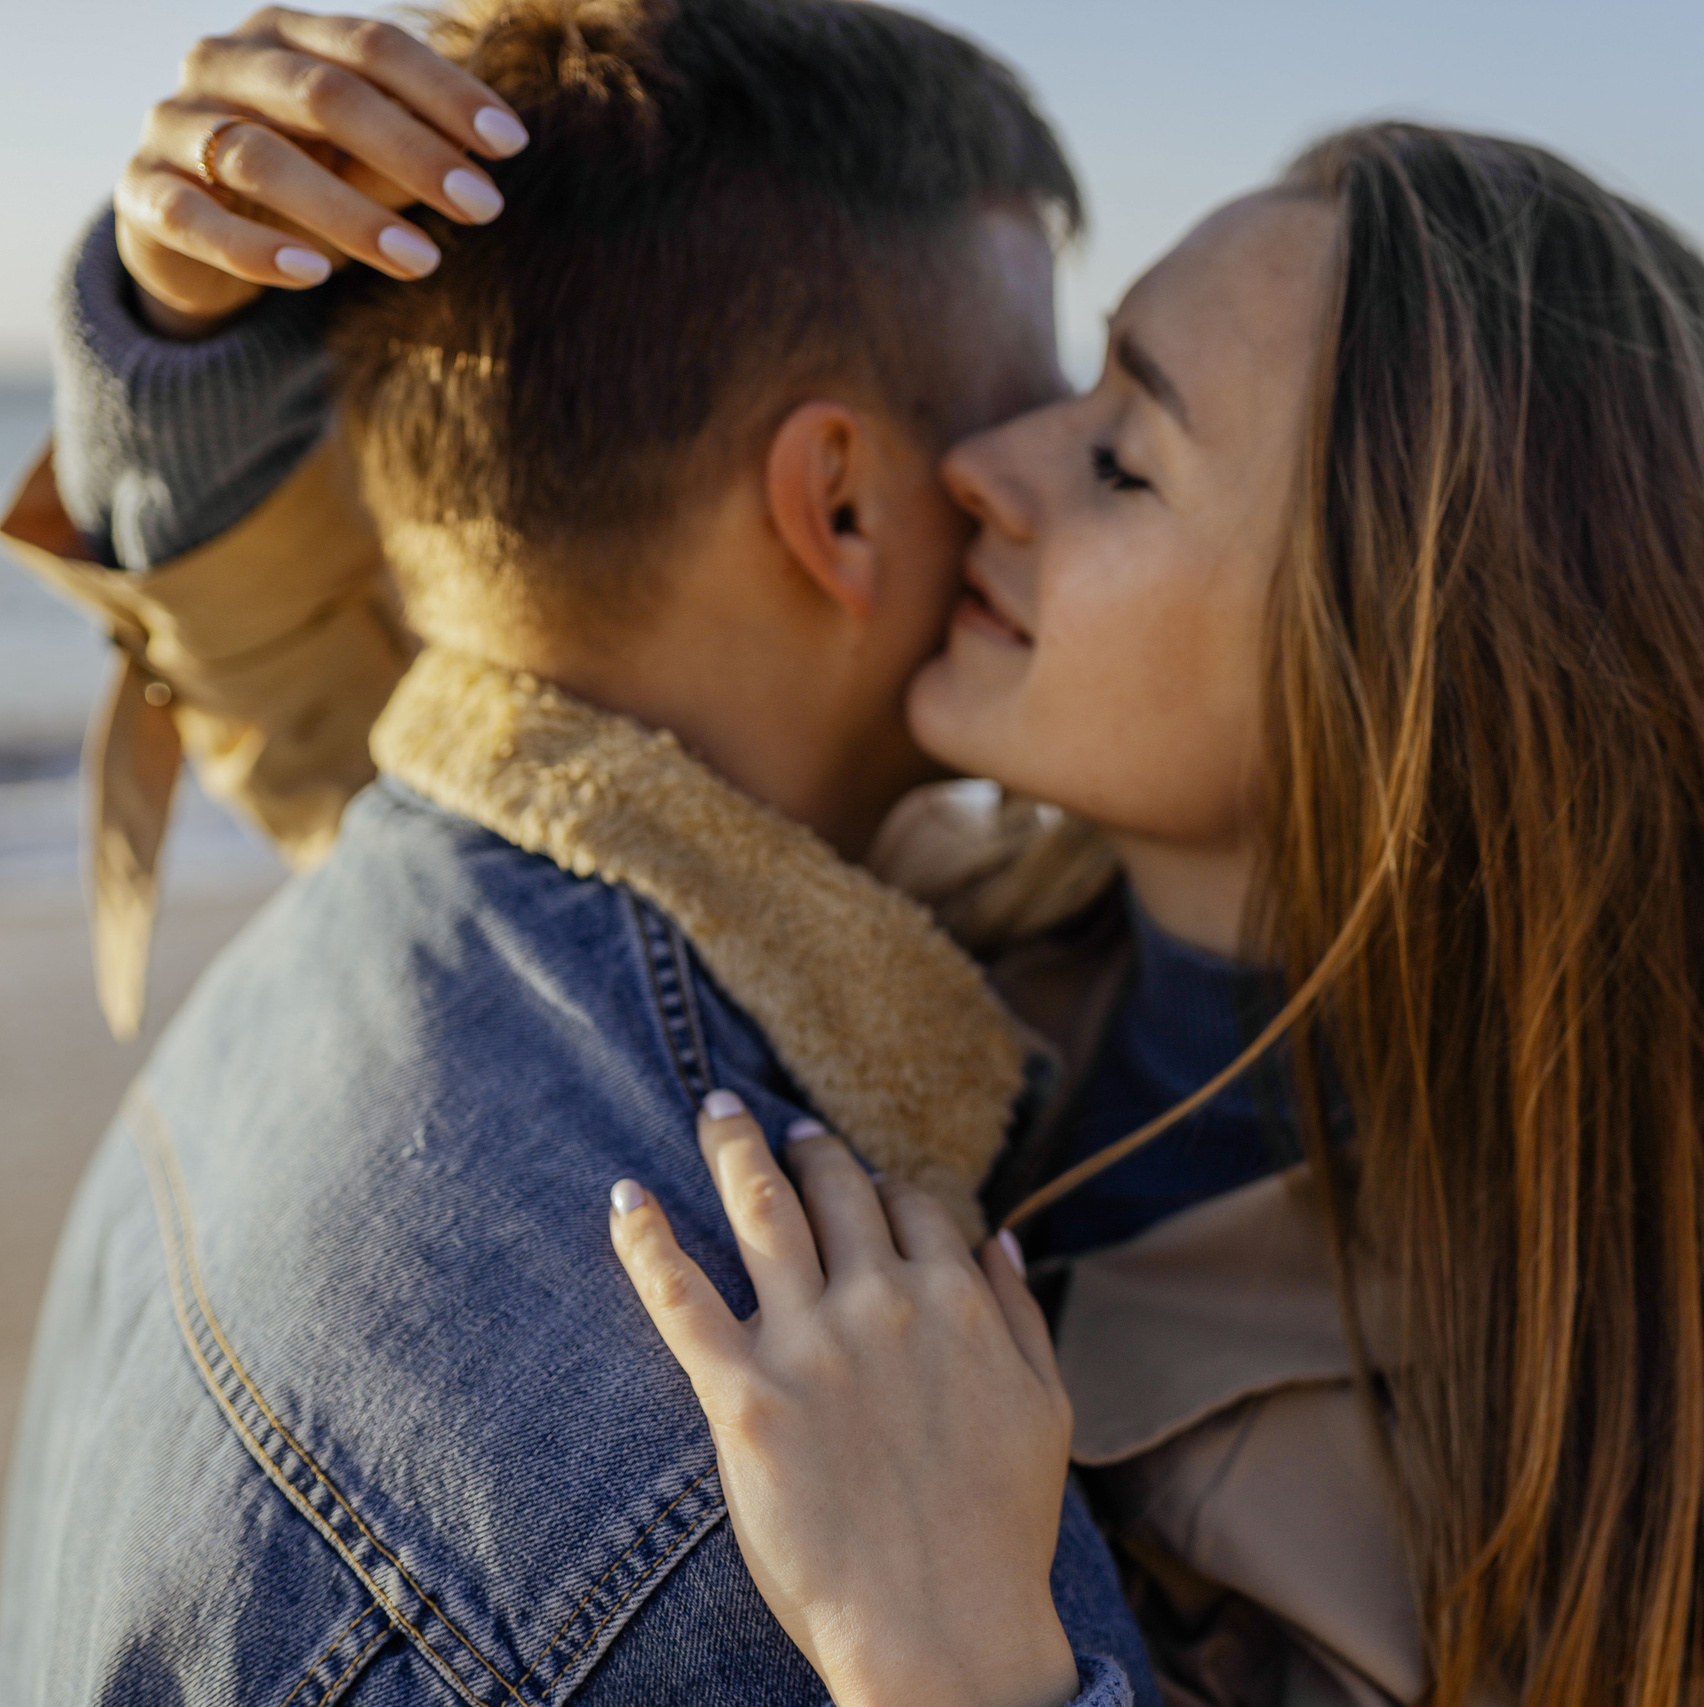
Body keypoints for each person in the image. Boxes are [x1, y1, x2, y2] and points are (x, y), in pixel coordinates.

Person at [7, 15, 1704, 1707]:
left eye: (1116, 455)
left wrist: (960, 1659)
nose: (986, 467)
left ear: (1409, 683)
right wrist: (193, 323)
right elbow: (494, 778)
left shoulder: (1512, 1403)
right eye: (1080, 383)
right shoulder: (946, 937)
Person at [0, 4, 1154, 1704]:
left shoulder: (320, 980)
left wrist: (177, 349)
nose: (1038, 477)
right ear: (836, 505)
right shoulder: (847, 1497)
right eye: (1030, 408)